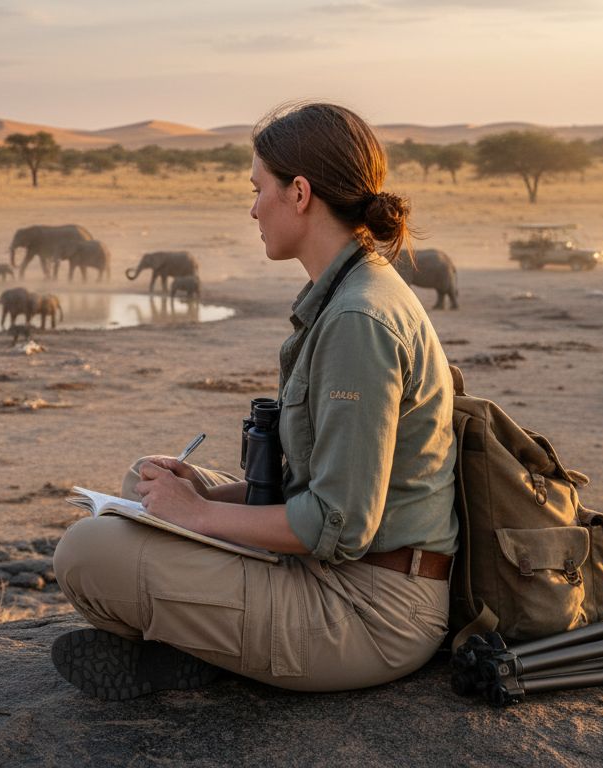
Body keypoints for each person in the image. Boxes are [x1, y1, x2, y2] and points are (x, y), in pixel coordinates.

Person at [51, 102, 458, 700]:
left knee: (86, 551)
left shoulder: (358, 319)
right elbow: (318, 483)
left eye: (257, 188)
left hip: (371, 611)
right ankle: (217, 652)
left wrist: (196, 515)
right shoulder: (350, 288)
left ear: (299, 192)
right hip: (343, 576)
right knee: (142, 481)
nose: (251, 208)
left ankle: (210, 652)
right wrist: (200, 494)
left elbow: (337, 523)